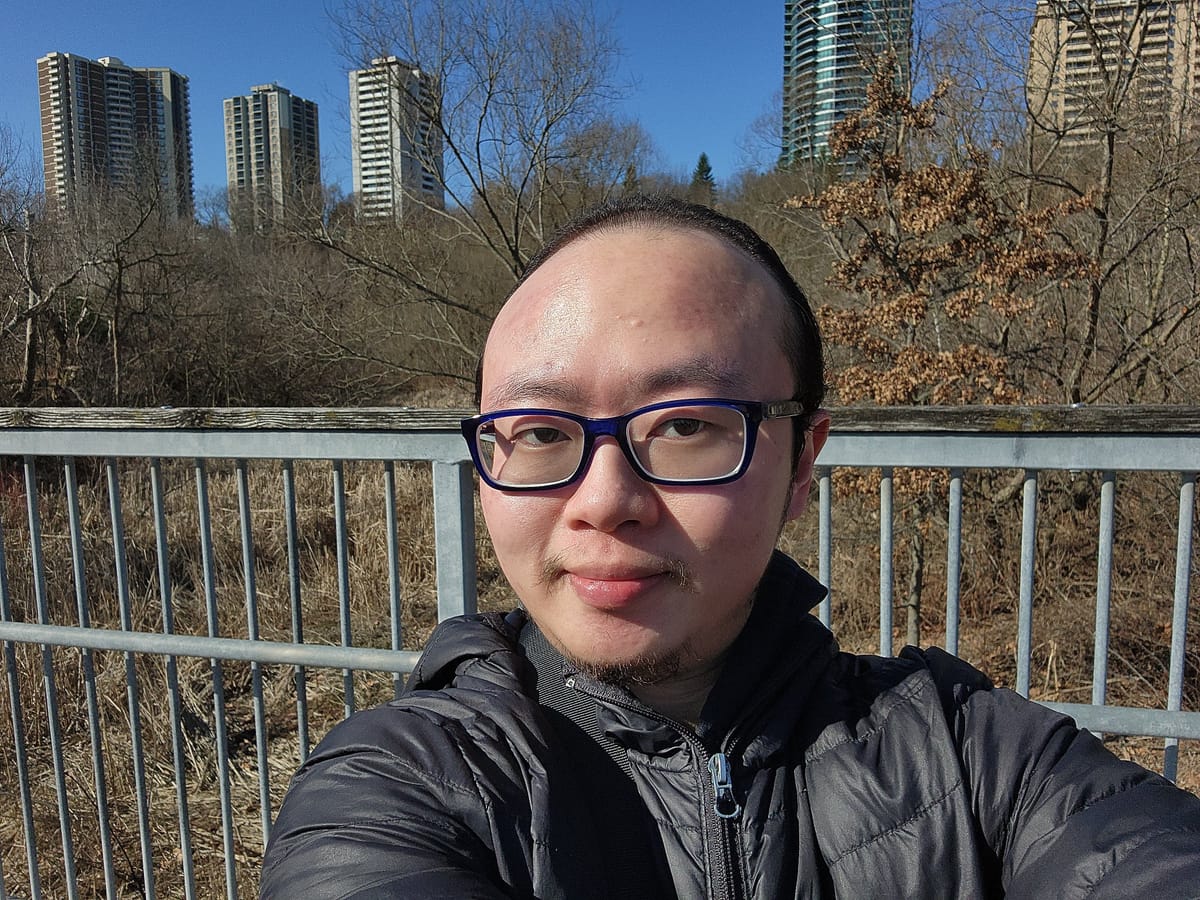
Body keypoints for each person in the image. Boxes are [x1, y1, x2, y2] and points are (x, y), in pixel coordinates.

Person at [261, 195, 1200, 899]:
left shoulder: (972, 754)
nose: (604, 503)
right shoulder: (399, 786)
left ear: (802, 464)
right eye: (542, 431)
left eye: (685, 428)